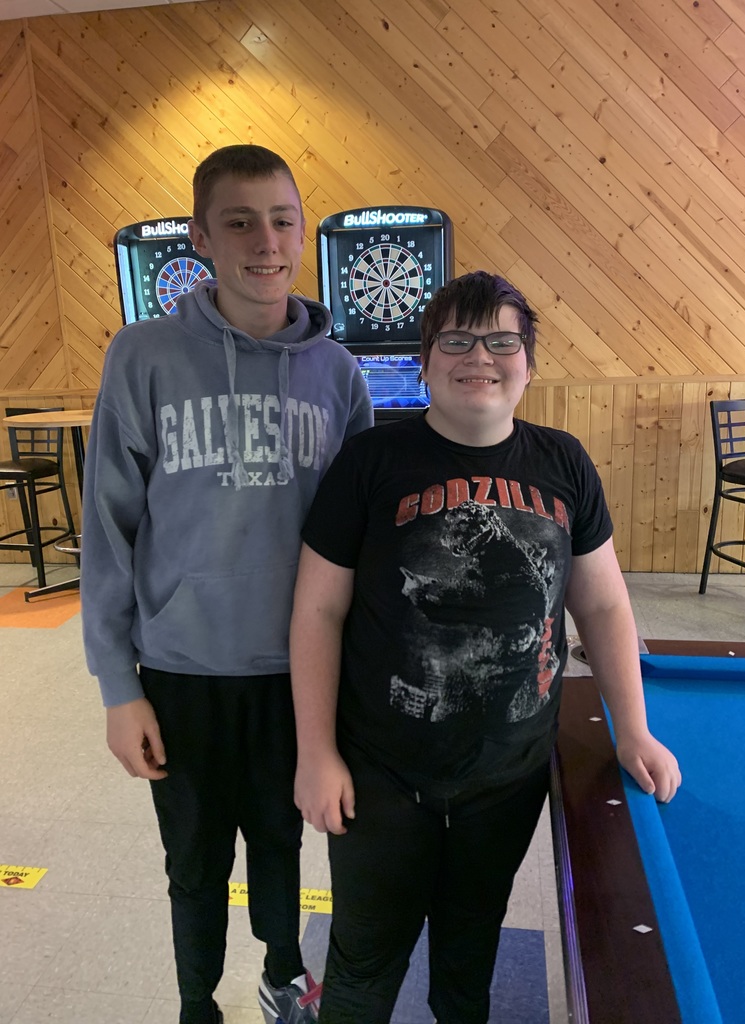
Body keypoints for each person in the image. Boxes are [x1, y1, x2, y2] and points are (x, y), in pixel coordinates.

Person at [289, 271, 681, 1024]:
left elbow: (600, 601)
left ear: (528, 363)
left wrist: (632, 729)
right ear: (427, 361)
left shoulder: (563, 462)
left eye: (502, 340)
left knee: (469, 960)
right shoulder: (372, 461)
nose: (481, 357)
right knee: (365, 961)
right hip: (382, 765)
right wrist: (315, 753)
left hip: (506, 772)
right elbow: (317, 611)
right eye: (458, 340)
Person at [80, 144, 374, 1024]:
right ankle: (193, 999)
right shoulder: (143, 356)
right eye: (239, 221)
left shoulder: (338, 373)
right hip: (181, 668)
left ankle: (284, 972)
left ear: (302, 233)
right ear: (202, 238)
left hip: (299, 670)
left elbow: (360, 539)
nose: (265, 240)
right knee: (196, 859)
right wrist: (116, 685)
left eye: (282, 219)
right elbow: (108, 530)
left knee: (282, 840)